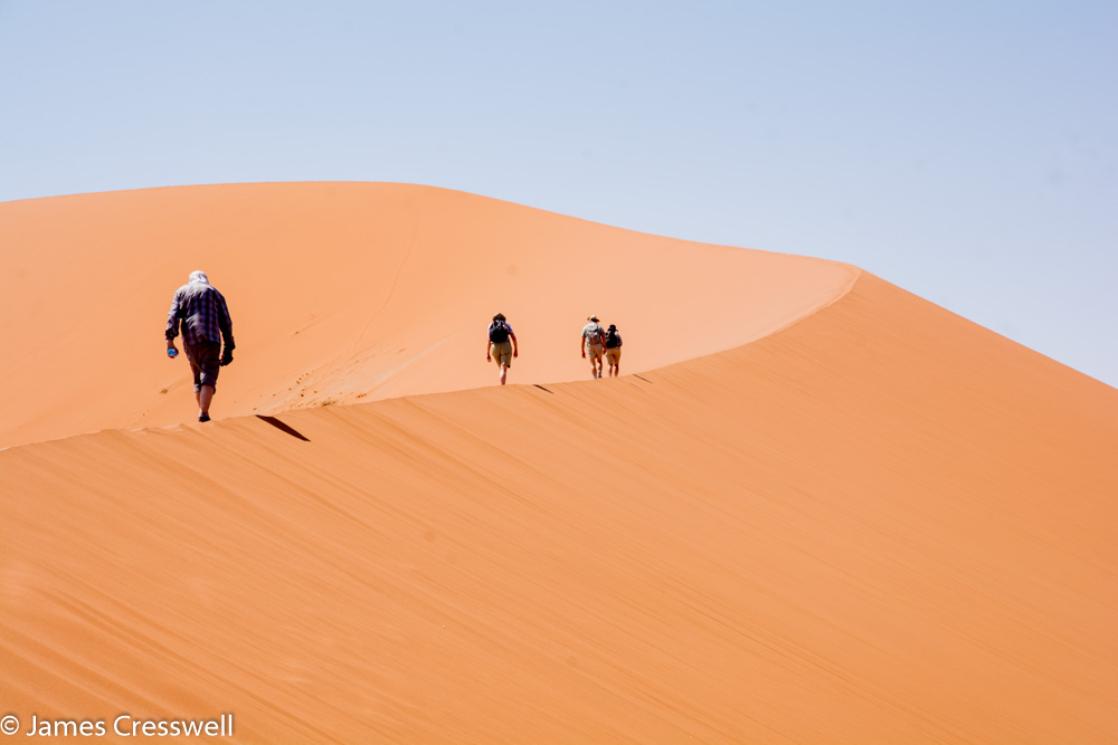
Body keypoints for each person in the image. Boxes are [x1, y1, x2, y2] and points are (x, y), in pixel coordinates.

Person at [165, 270, 235, 422]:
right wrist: (229, 347)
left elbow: (173, 315)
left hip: (190, 342)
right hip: (211, 340)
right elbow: (226, 321)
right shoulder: (214, 292)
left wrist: (170, 340)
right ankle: (203, 413)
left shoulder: (181, 291)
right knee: (209, 374)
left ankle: (202, 411)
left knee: (197, 376)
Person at [486, 312, 518, 385]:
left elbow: (489, 340)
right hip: (506, 347)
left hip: (495, 348)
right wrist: (516, 350)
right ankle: (503, 387)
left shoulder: (491, 326)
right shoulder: (507, 325)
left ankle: (502, 385)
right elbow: (513, 337)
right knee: (503, 368)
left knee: (501, 368)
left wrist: (487, 353)